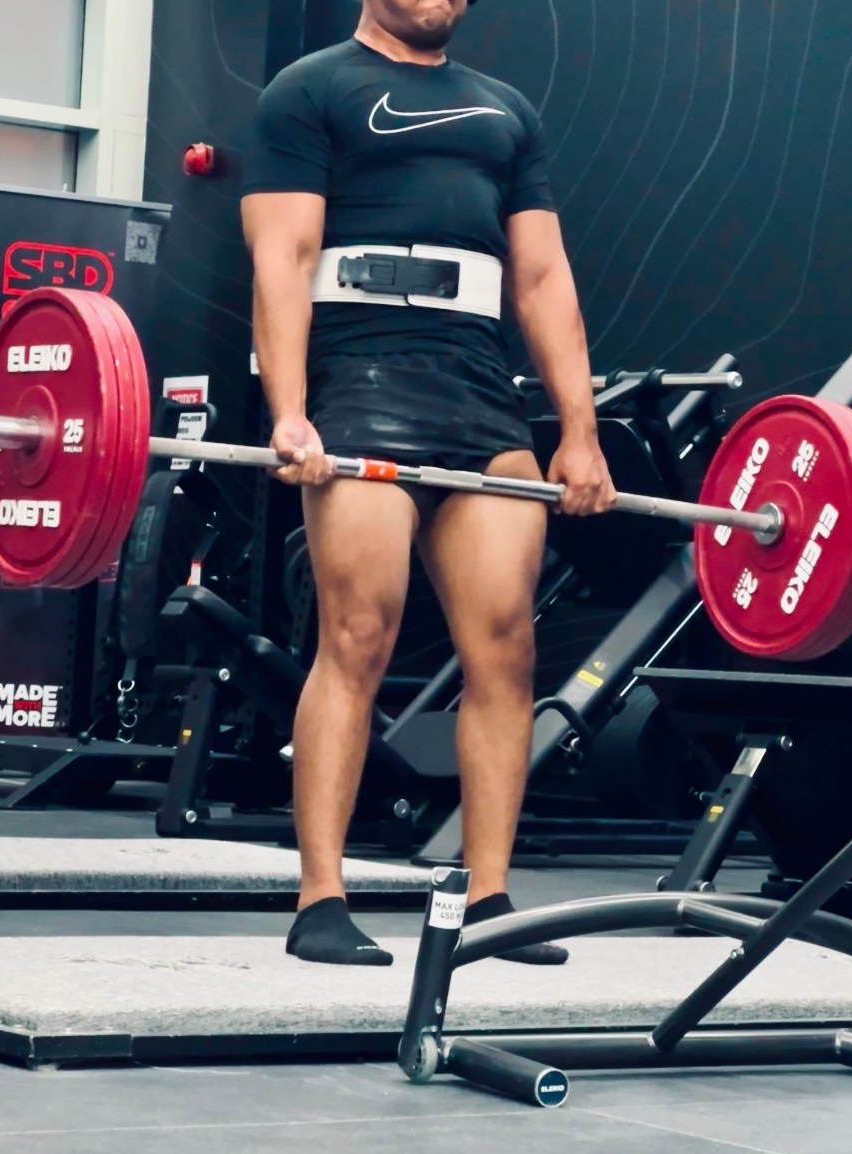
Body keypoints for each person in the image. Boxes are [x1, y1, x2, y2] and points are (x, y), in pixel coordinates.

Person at [241, 0, 617, 967]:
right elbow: (282, 256)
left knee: (507, 648)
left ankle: (487, 899)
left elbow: (541, 278)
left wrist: (579, 432)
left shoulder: (506, 110)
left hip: (479, 389)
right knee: (357, 633)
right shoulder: (311, 89)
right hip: (360, 377)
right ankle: (320, 901)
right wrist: (291, 409)